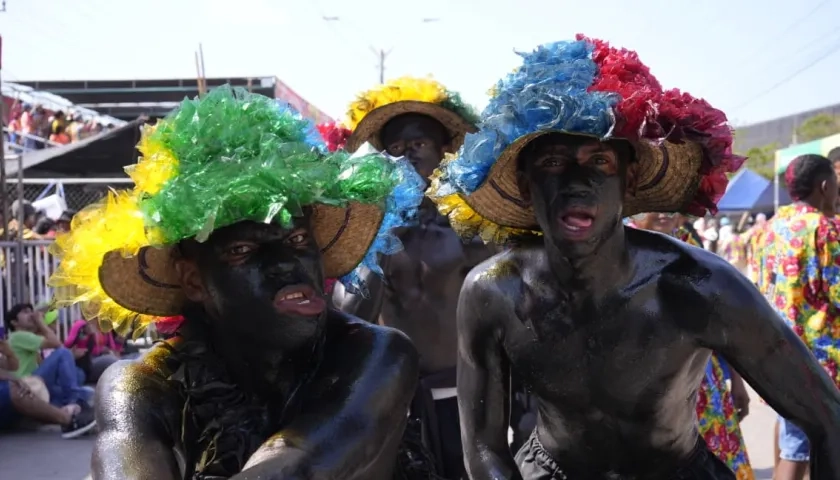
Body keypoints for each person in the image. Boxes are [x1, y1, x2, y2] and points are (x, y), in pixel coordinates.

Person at [429, 37, 840, 479]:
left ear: (629, 180)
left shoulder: (699, 285)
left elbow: (826, 418)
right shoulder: (494, 292)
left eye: (600, 160)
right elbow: (483, 450)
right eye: (553, 161)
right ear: (528, 186)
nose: (577, 181)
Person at [48, 86, 424, 479]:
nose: (285, 264)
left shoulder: (380, 353)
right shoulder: (141, 385)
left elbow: (293, 465)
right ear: (193, 281)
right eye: (244, 250)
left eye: (297, 240)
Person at [335, 76, 492, 479]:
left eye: (418, 145)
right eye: (396, 149)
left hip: (461, 400)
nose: (407, 158)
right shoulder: (366, 231)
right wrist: (382, 240)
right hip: (393, 399)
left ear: (443, 152)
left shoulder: (470, 228)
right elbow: (350, 318)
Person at [632, 213, 755, 479]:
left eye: (670, 206)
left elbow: (718, 319)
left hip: (703, 385)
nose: (665, 213)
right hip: (646, 392)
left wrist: (737, 380)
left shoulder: (689, 246)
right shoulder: (618, 252)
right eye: (654, 206)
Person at [757, 154, 840, 480]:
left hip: (777, 355)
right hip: (819, 361)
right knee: (801, 450)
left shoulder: (769, 227)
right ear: (824, 186)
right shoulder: (824, 228)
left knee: (793, 439)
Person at [0, 339, 96, 438]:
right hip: (17, 390)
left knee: (84, 386)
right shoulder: (19, 336)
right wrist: (13, 378)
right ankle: (69, 420)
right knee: (16, 390)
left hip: (27, 386)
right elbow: (55, 342)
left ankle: (74, 404)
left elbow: (12, 367)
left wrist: (9, 353)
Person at [5, 303, 92, 410]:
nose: (31, 315)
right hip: (26, 383)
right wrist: (41, 322)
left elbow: (43, 365)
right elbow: (57, 345)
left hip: (35, 382)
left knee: (80, 377)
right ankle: (73, 400)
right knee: (63, 353)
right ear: (14, 322)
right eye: (25, 312)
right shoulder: (18, 335)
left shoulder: (27, 338)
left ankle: (64, 403)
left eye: (31, 311)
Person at [64, 317, 121, 383]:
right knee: (112, 361)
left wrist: (119, 343)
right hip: (87, 361)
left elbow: (112, 348)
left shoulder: (105, 326)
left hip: (102, 358)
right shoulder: (80, 324)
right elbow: (68, 344)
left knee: (130, 359)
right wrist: (84, 333)